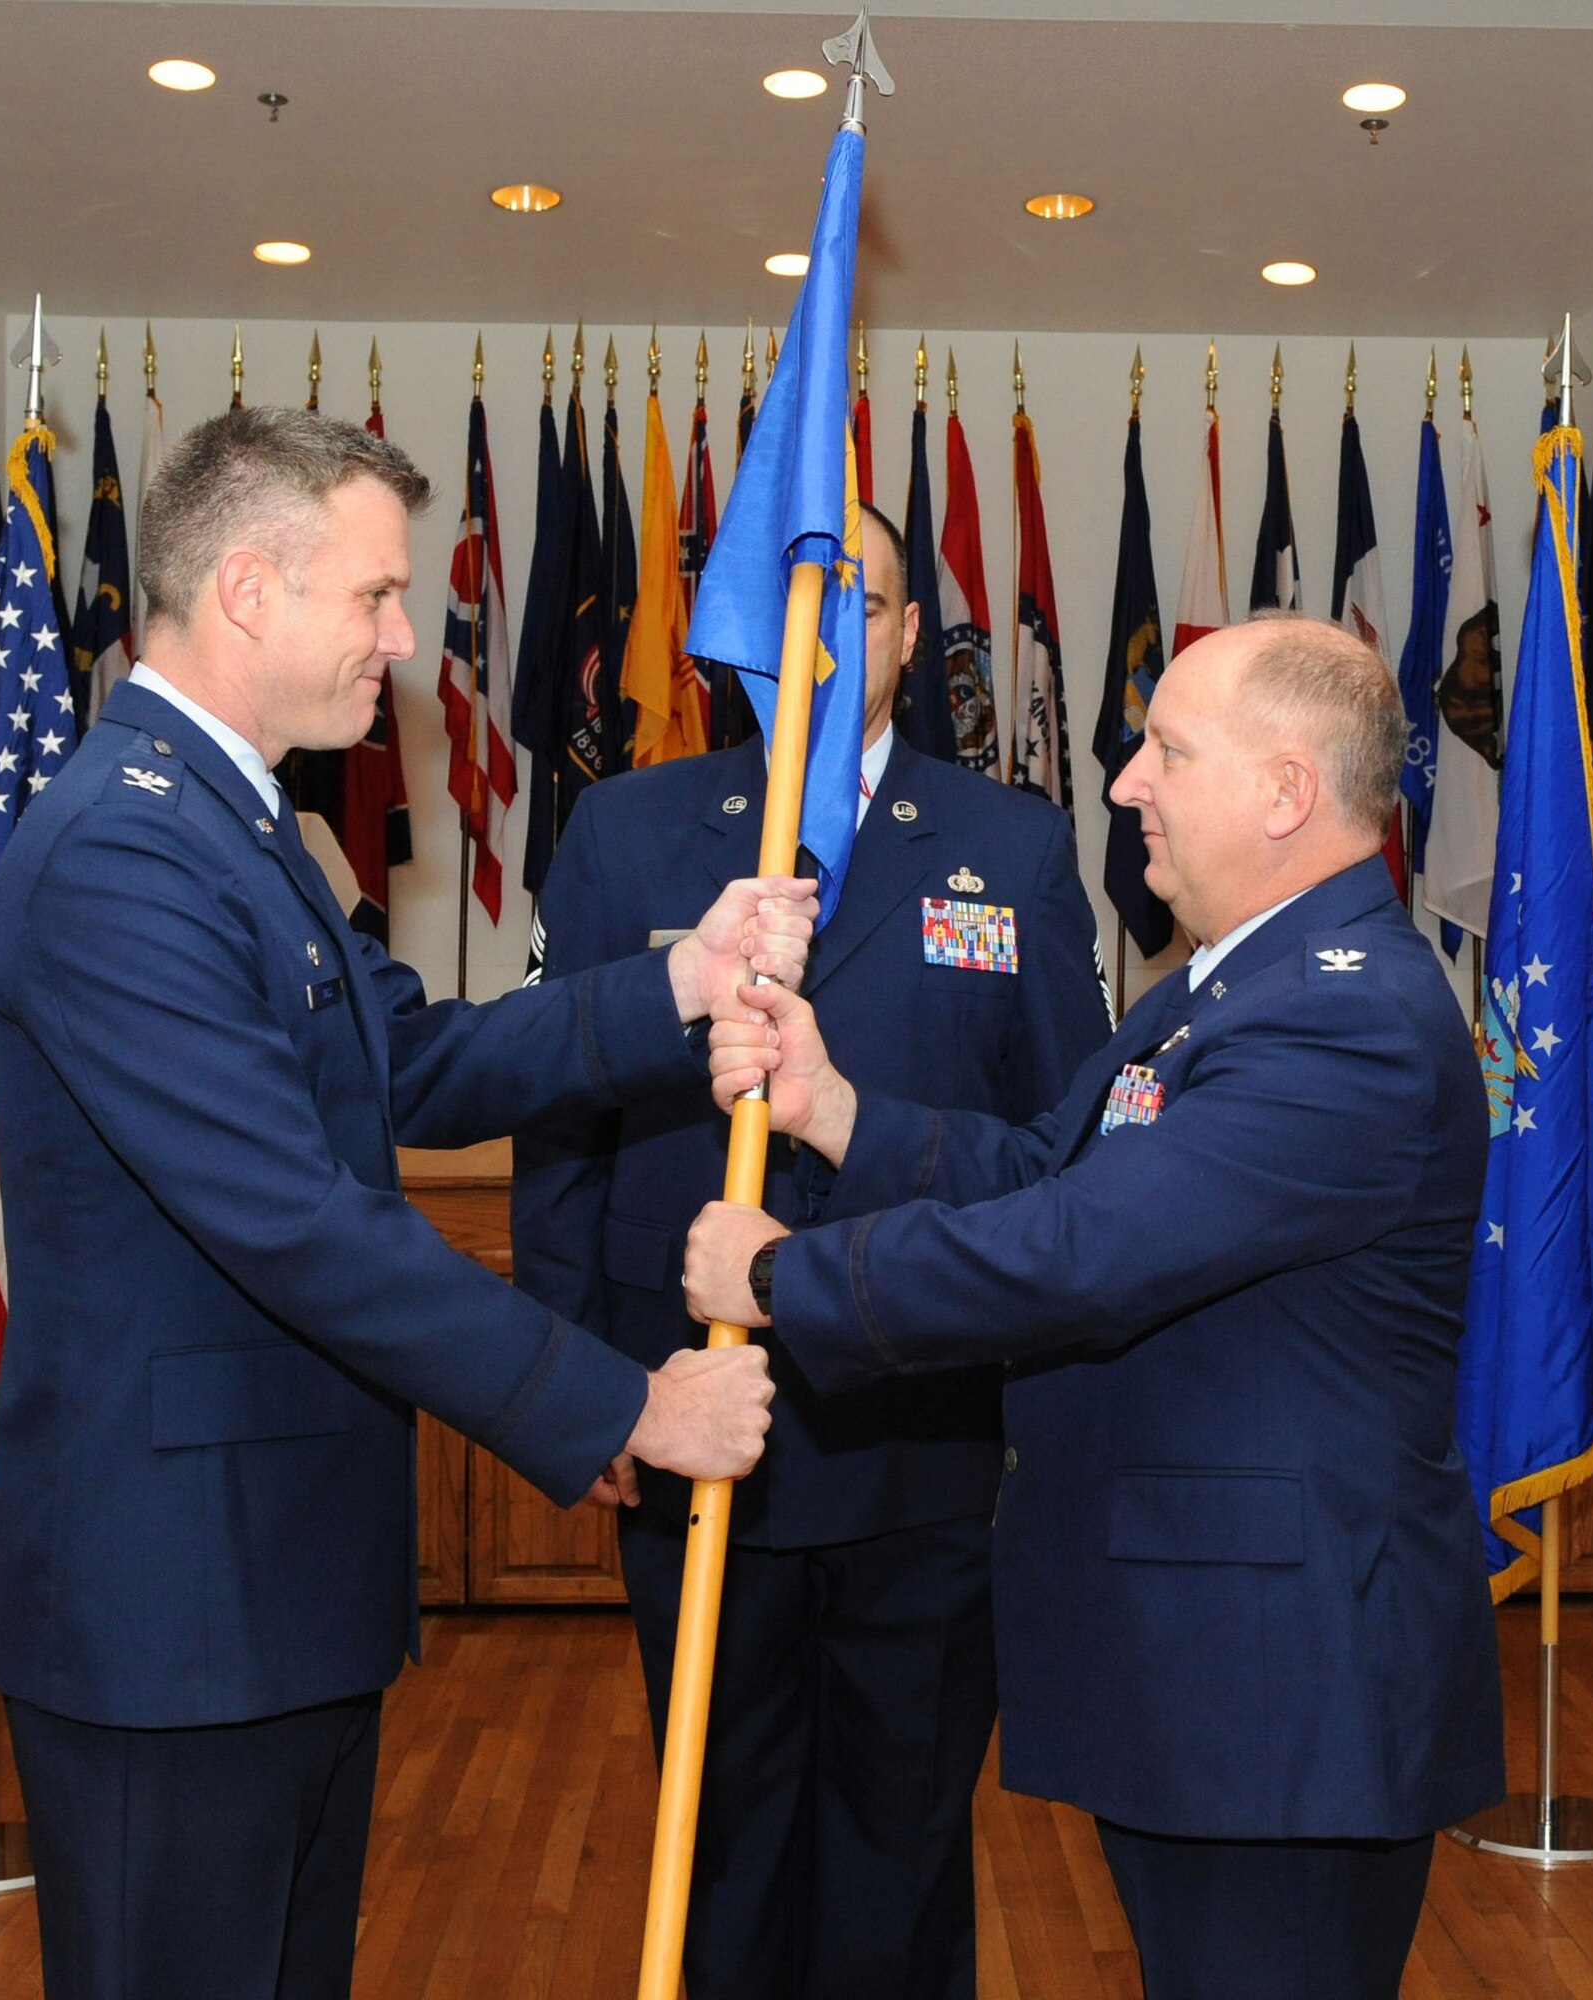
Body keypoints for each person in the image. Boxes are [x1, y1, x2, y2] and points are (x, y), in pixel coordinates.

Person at [0, 406, 812, 2000]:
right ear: (246, 590)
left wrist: (681, 985)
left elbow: (406, 1061)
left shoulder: (237, 826)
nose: (404, 638)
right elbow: (298, 1223)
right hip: (174, 1612)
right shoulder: (120, 856)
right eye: (373, 595)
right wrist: (627, 1404)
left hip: (273, 1590)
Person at [686, 613, 1506, 2000]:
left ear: (1286, 792)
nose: (1125, 783)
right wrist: (836, 1113)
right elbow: (1050, 1171)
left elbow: (1081, 1250)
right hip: (1213, 1681)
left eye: (1167, 751)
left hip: (1285, 1701)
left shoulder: (1342, 1019)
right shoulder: (1224, 986)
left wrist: (783, 1279)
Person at [511, 501, 1110, 2000]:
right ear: (740, 628)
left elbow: (1065, 1151)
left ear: (909, 634)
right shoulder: (628, 831)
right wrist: (578, 1388)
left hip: (925, 1436)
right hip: (692, 1424)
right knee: (719, 1844)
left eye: (865, 600)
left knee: (901, 1852)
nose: (830, 630)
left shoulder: (1012, 846)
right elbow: (562, 1125)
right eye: (801, 597)